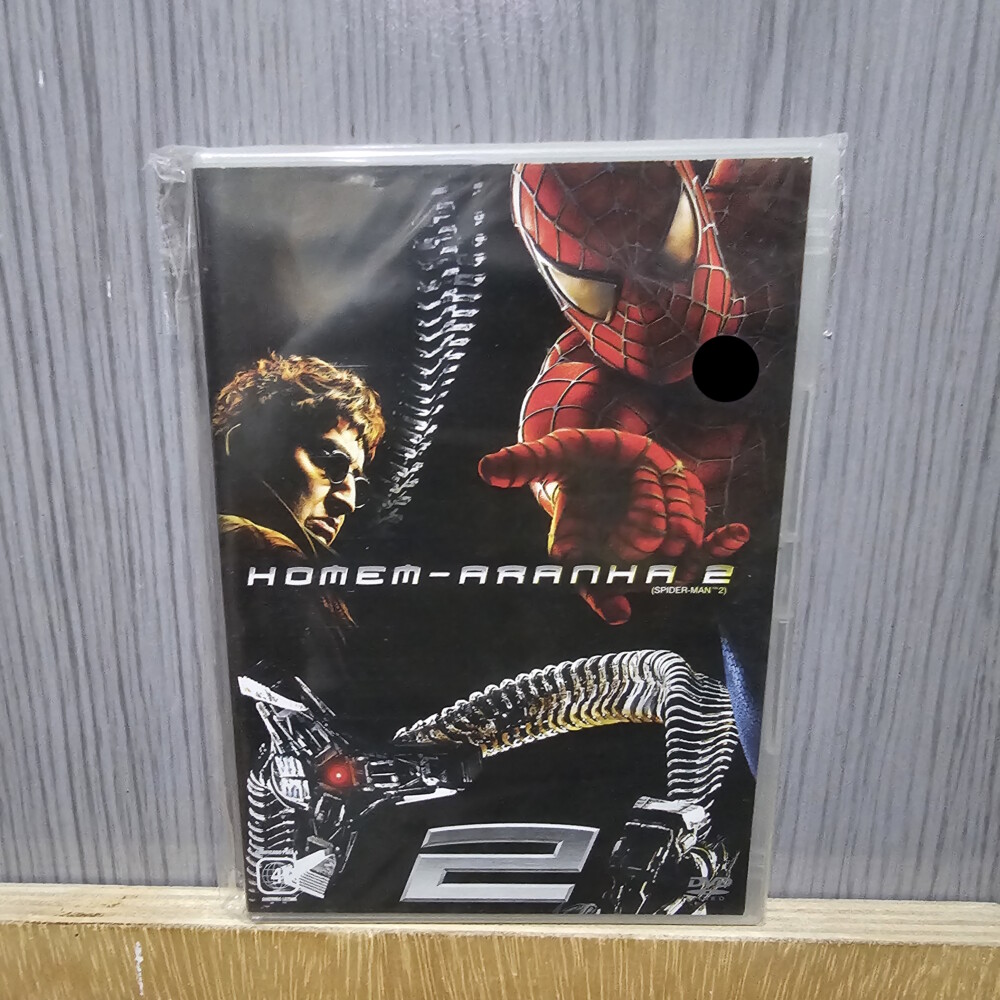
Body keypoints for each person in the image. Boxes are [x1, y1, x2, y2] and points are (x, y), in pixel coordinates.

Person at [211, 351, 385, 691]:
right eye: (330, 462)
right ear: (249, 446)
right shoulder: (259, 548)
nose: (348, 502)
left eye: (357, 481)